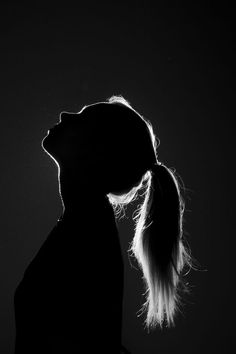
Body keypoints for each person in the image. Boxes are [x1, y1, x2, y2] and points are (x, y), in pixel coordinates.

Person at [14, 95, 192, 353]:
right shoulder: (83, 224)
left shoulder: (86, 235)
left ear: (97, 150)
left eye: (82, 120)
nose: (65, 114)